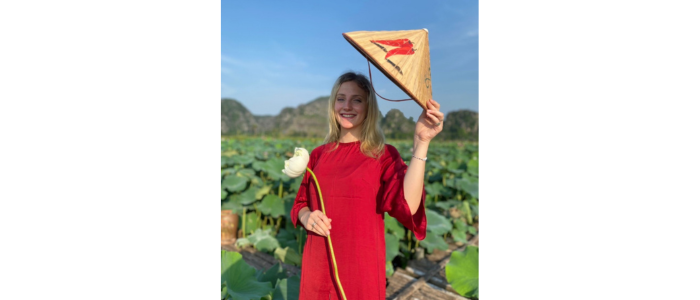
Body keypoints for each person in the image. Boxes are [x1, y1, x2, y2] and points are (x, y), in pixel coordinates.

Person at [289, 71, 444, 300]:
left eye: (357, 99)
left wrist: (421, 143)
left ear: (369, 106)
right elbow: (300, 203)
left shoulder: (383, 155)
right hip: (318, 263)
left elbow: (408, 206)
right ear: (333, 105)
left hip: (360, 268)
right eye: (341, 98)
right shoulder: (318, 155)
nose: (347, 106)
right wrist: (306, 216)